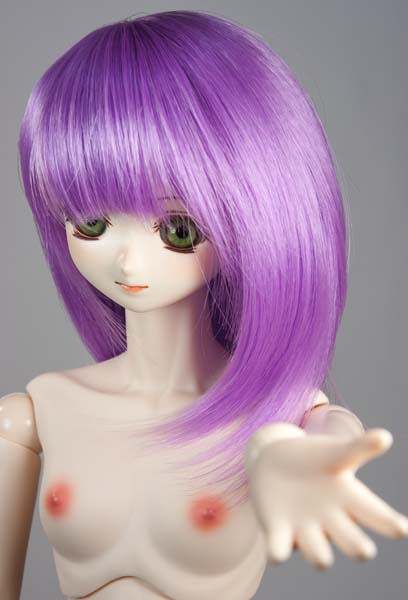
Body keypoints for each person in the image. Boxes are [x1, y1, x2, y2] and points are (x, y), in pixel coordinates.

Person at [1, 10, 407, 600]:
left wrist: (298, 457)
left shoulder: (277, 412)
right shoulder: (35, 414)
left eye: (179, 230)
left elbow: (328, 433)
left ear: (257, 216)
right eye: (91, 223)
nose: (128, 261)